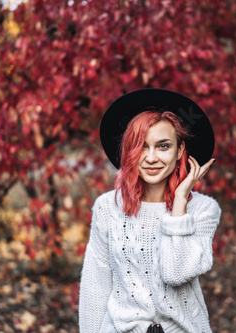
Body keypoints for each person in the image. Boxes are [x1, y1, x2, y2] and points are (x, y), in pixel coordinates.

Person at [78, 88, 222, 333]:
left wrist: (179, 203)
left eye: (163, 146)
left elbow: (176, 273)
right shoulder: (107, 208)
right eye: (142, 146)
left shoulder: (202, 211)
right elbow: (95, 287)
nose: (151, 157)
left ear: (179, 151)